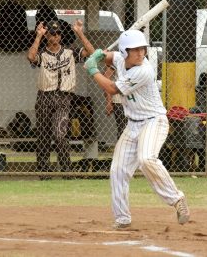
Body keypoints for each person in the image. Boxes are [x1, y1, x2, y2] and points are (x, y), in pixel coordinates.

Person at [84, 29, 190, 229]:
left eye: (142, 49)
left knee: (146, 158)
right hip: (133, 124)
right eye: (135, 50)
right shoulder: (120, 59)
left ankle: (177, 200)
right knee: (117, 170)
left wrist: (93, 70)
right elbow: (109, 57)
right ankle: (122, 218)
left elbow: (112, 89)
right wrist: (98, 54)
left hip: (154, 121)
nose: (141, 53)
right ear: (125, 52)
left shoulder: (144, 70)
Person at [27, 20, 94, 177]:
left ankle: (66, 170)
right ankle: (43, 170)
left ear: (61, 36)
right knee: (43, 135)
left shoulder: (70, 52)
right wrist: (38, 36)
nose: (54, 37)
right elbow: (31, 57)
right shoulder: (43, 54)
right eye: (51, 33)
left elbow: (91, 51)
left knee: (59, 133)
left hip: (64, 98)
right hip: (45, 96)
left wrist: (79, 32)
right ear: (47, 35)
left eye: (57, 34)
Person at [104, 65, 127, 139]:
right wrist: (109, 101)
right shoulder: (118, 57)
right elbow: (106, 77)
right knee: (123, 130)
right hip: (119, 100)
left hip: (133, 100)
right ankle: (122, 148)